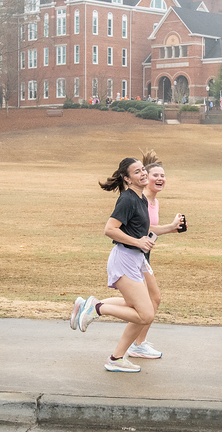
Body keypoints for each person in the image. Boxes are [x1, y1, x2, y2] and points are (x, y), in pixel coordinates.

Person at [69, 157, 182, 373]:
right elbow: (110, 229)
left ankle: (116, 357)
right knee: (145, 314)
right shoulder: (127, 200)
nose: (143, 174)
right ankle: (97, 308)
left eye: (143, 170)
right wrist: (138, 242)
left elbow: (145, 227)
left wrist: (171, 227)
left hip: (134, 260)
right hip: (124, 259)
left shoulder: (140, 199)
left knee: (140, 309)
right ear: (127, 178)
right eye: (137, 172)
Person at [125, 149, 185, 360]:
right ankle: (135, 343)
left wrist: (171, 227)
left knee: (146, 301)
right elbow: (141, 227)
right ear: (145, 178)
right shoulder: (140, 198)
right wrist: (169, 227)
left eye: (163, 175)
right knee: (152, 299)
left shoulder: (154, 201)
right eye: (155, 175)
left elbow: (150, 229)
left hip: (144, 255)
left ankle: (136, 343)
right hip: (133, 255)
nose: (160, 179)